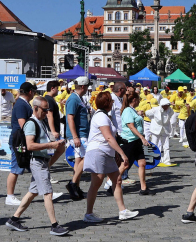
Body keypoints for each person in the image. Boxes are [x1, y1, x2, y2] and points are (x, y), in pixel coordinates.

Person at [5, 97, 68, 235]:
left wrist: (57, 142)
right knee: (48, 193)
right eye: (44, 110)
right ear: (36, 108)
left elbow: (46, 138)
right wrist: (51, 145)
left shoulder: (41, 122)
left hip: (43, 161)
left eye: (47, 110)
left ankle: (13, 219)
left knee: (33, 192)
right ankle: (54, 225)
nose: (46, 112)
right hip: (37, 161)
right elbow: (30, 145)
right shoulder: (31, 123)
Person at [83, 91, 139, 222]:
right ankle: (88, 214)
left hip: (106, 153)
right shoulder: (101, 117)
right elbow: (108, 137)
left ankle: (123, 211)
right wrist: (122, 153)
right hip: (98, 151)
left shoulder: (104, 116)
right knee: (96, 183)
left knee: (117, 180)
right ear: (107, 103)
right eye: (111, 101)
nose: (113, 103)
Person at [6, 82, 36, 206]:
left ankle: (45, 191)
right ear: (30, 92)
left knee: (35, 167)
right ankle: (10, 196)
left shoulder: (23, 103)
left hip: (22, 140)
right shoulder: (21, 105)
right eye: (33, 91)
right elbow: (23, 124)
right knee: (16, 168)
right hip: (19, 141)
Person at [119, 92, 152, 195]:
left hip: (136, 141)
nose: (139, 101)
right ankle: (112, 184)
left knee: (142, 163)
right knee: (124, 165)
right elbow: (131, 126)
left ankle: (143, 188)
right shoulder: (127, 110)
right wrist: (142, 137)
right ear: (134, 100)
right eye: (138, 99)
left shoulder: (132, 110)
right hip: (130, 141)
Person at [65, 76, 91, 200]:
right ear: (82, 86)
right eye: (87, 86)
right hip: (78, 134)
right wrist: (75, 136)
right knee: (87, 156)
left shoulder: (79, 98)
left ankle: (76, 186)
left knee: (79, 160)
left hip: (82, 133)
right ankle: (73, 184)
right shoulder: (73, 99)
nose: (87, 88)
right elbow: (70, 118)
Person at [44, 80, 66, 183]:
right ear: (52, 88)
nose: (59, 90)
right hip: (50, 131)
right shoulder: (49, 100)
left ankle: (46, 169)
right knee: (51, 153)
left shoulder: (50, 99)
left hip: (52, 130)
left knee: (60, 149)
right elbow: (49, 115)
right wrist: (53, 131)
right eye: (58, 88)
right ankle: (46, 173)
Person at [146, 98, 174, 166]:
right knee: (154, 144)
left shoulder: (170, 110)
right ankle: (153, 160)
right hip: (156, 129)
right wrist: (153, 119)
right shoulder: (155, 109)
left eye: (168, 105)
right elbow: (147, 113)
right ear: (162, 105)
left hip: (165, 129)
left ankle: (167, 160)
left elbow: (170, 115)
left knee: (166, 146)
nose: (167, 106)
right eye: (165, 105)